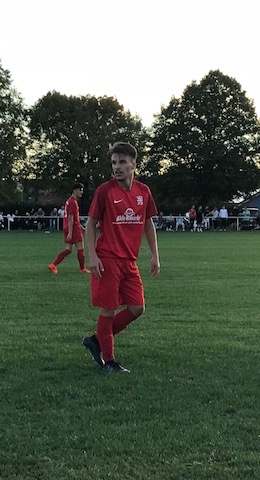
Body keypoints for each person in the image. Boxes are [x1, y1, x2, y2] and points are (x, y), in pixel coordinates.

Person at [82, 142, 160, 374]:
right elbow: (90, 225)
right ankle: (109, 362)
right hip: (107, 259)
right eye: (114, 162)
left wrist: (155, 255)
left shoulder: (143, 191)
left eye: (122, 162)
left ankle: (96, 340)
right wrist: (92, 256)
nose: (117, 167)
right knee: (108, 309)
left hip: (129, 261)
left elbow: (148, 223)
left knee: (137, 307)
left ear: (133, 164)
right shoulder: (105, 191)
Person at [47, 182, 90, 274]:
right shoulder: (73, 202)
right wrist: (71, 232)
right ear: (75, 190)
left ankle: (53, 265)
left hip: (67, 227)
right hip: (72, 228)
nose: (81, 192)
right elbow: (70, 217)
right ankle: (82, 268)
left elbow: (73, 218)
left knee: (68, 249)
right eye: (80, 190)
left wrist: (81, 227)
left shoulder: (69, 201)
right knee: (80, 248)